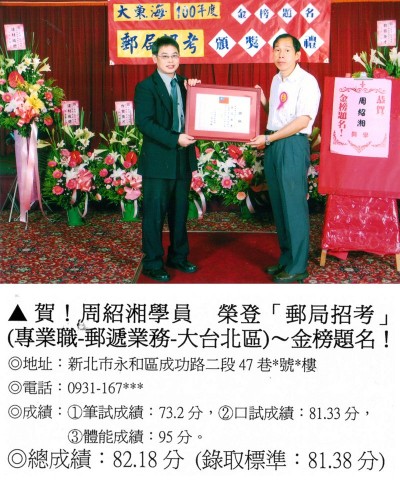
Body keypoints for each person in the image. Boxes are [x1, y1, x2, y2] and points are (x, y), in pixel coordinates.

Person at [248, 33, 321, 284]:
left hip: (292, 145)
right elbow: (278, 114)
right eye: (277, 49)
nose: (281, 55)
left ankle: (298, 266)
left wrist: (269, 138)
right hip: (274, 144)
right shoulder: (276, 79)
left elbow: (302, 121)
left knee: (293, 206)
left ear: (298, 55)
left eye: (287, 50)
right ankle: (286, 259)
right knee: (279, 205)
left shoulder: (307, 82)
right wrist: (263, 101)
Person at [134, 36, 200, 282]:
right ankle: (152, 262)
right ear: (154, 58)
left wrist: (197, 92)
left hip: (182, 159)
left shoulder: (186, 84)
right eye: (165, 56)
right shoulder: (146, 87)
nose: (170, 61)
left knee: (179, 212)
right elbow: (145, 123)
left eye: (174, 56)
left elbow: (200, 113)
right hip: (158, 161)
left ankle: (178, 257)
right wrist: (175, 139)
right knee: (154, 214)